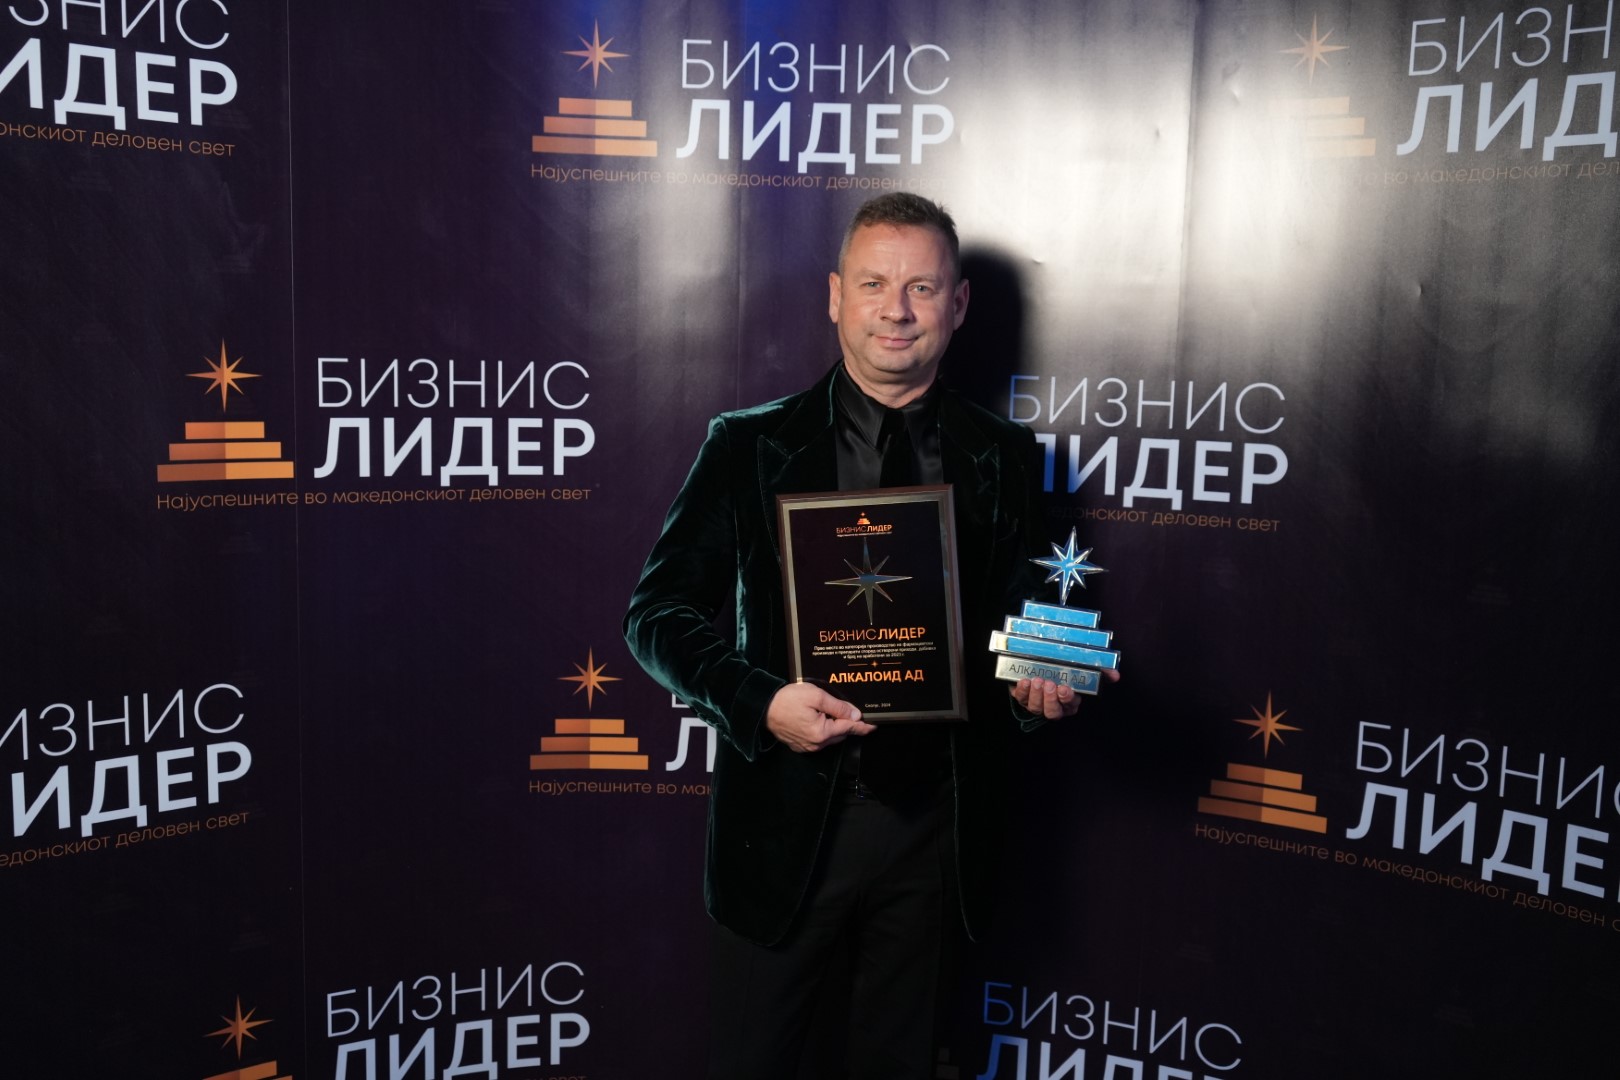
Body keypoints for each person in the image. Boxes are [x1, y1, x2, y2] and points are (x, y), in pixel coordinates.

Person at [624, 193, 1096, 1078]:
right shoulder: (748, 446)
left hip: (935, 836)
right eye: (875, 284)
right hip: (785, 828)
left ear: (958, 305)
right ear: (837, 296)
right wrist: (761, 701)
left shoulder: (1004, 456)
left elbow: (1033, 619)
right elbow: (656, 617)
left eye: (923, 287)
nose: (897, 310)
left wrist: (1044, 687)